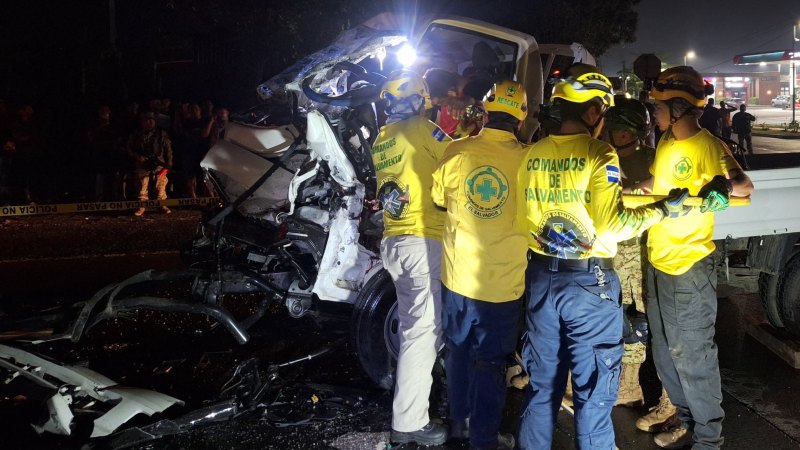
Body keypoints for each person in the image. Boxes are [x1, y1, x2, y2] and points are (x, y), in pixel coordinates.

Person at [516, 64, 691, 450]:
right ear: (594, 112)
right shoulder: (599, 153)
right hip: (588, 284)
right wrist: (663, 211)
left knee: (542, 389)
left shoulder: (532, 154)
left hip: (541, 276)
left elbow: (521, 219)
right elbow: (612, 225)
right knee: (593, 394)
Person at [642, 66, 754, 449]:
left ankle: (709, 439)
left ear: (678, 107)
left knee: (692, 355)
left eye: (658, 105)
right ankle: (688, 422)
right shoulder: (666, 143)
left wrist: (722, 184)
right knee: (664, 352)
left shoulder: (709, 145)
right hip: (657, 259)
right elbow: (655, 185)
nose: (652, 112)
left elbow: (743, 185)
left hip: (688, 265)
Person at [431, 79, 528, 450]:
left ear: (485, 112)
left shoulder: (456, 152)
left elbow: (439, 198)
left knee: (458, 351)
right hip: (503, 285)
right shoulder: (527, 159)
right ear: (521, 118)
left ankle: (458, 428)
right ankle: (484, 440)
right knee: (490, 363)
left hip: (458, 278)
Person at [372, 70, 451, 447]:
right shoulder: (421, 129)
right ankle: (409, 423)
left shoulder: (381, 138)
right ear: (419, 100)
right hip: (424, 240)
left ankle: (414, 404)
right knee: (422, 333)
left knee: (412, 329)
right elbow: (459, 158)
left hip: (395, 241)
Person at [127, 112, 173, 216]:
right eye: (146, 120)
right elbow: (129, 148)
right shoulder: (136, 134)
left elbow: (168, 149)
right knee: (141, 185)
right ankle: (142, 206)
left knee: (160, 185)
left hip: (159, 163)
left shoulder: (161, 133)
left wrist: (169, 163)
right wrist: (137, 156)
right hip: (142, 163)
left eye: (151, 120)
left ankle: (162, 204)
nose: (148, 122)